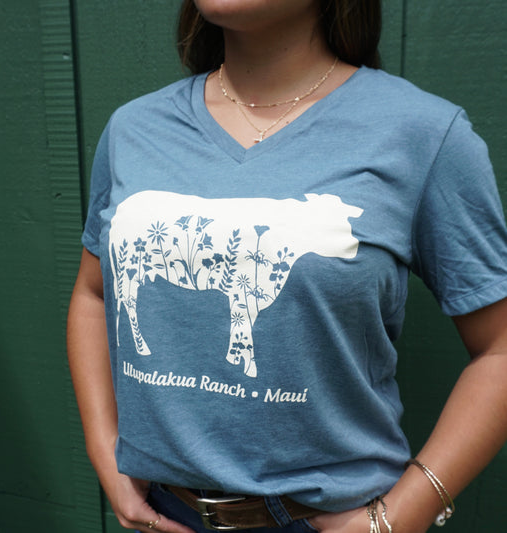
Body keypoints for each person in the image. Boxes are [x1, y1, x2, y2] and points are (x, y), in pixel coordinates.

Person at [67, 1, 507, 532]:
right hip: (168, 513)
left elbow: (499, 348)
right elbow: (95, 293)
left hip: (325, 517)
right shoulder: (135, 128)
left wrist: (402, 514)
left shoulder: (423, 134)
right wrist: (104, 448)